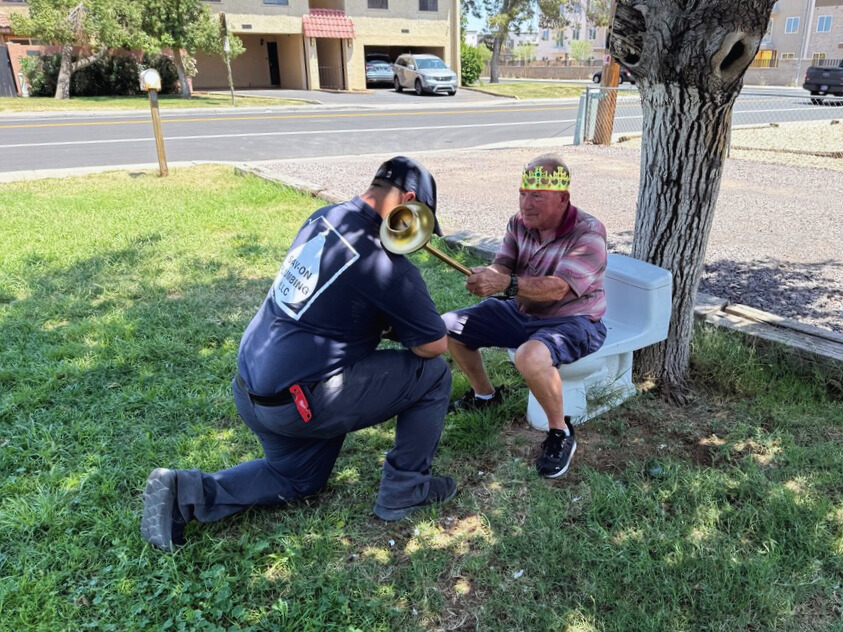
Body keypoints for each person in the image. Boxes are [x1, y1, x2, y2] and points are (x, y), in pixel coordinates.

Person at [141, 156, 456, 552]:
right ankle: (406, 490)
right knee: (434, 374)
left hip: (253, 389)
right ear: (409, 201)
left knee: (300, 480)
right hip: (300, 402)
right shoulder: (387, 264)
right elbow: (432, 343)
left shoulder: (321, 217)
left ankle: (185, 494)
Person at [442, 154, 607, 479]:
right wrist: (488, 274)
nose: (526, 203)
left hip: (575, 321)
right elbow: (504, 263)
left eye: (537, 196)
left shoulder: (588, 232)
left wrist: (504, 283)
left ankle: (560, 432)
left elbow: (558, 289)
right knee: (449, 326)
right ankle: (484, 395)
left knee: (530, 357)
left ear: (562, 198)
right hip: (523, 311)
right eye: (522, 193)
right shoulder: (519, 223)